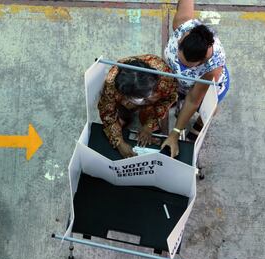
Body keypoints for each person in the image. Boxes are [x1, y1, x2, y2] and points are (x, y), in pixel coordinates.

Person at [161, 0, 230, 157]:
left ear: (201, 62)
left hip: (203, 89)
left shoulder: (212, 68)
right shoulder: (183, 22)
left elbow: (193, 100)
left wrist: (175, 133)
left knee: (208, 109)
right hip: (180, 82)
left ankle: (198, 126)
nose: (181, 65)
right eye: (179, 59)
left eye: (188, 66)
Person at [98, 54, 178, 158]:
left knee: (150, 113)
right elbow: (107, 112)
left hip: (151, 100)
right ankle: (124, 116)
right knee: (119, 115)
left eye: (147, 97)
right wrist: (119, 142)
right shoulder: (111, 83)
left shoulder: (165, 77)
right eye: (141, 99)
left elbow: (167, 100)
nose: (145, 101)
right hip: (124, 100)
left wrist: (149, 125)